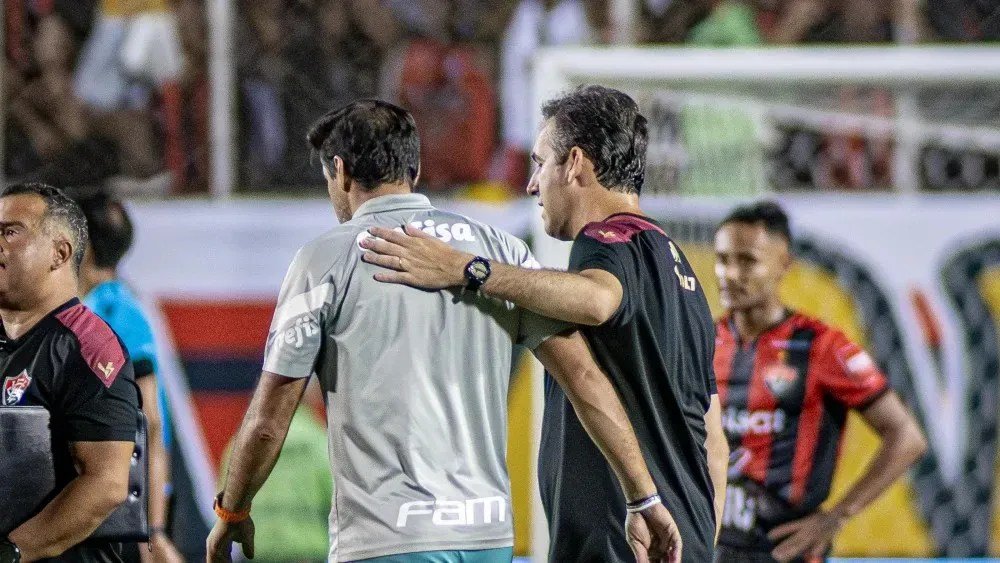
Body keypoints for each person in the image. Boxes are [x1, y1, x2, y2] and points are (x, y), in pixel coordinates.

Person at [205, 99, 680, 563]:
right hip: (488, 537)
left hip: (386, 538)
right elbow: (584, 379)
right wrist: (643, 498)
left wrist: (233, 509)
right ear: (412, 170)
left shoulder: (324, 260)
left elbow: (269, 420)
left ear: (341, 171)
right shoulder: (499, 249)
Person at [360, 85, 730, 562]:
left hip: (622, 542)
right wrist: (700, 539)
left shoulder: (607, 241)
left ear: (574, 163)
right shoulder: (685, 276)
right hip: (684, 541)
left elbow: (597, 300)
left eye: (540, 163)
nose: (533, 184)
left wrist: (466, 269)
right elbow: (714, 441)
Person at [710, 201, 928, 562]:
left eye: (747, 261)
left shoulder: (822, 347)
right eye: (722, 259)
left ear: (783, 264)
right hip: (713, 548)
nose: (730, 273)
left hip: (787, 552)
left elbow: (907, 437)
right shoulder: (701, 340)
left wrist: (837, 516)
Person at [0, 183, 140, 562]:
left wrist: (12, 552)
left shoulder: (88, 346)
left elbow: (106, 484)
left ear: (59, 253)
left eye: (10, 232)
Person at [74, 191, 183, 563]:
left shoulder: (114, 313)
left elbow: (149, 421)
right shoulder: (123, 307)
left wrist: (152, 530)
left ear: (81, 246)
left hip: (122, 507)